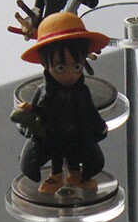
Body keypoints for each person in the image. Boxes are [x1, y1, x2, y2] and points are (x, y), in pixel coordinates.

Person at [12, 12, 110, 195]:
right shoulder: (45, 92)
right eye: (60, 68)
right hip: (53, 134)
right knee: (56, 154)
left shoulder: (82, 91)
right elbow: (40, 110)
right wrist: (30, 110)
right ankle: (55, 176)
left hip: (77, 132)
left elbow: (89, 110)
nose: (70, 74)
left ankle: (75, 174)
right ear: (45, 64)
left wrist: (98, 126)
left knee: (76, 153)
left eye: (77, 67)